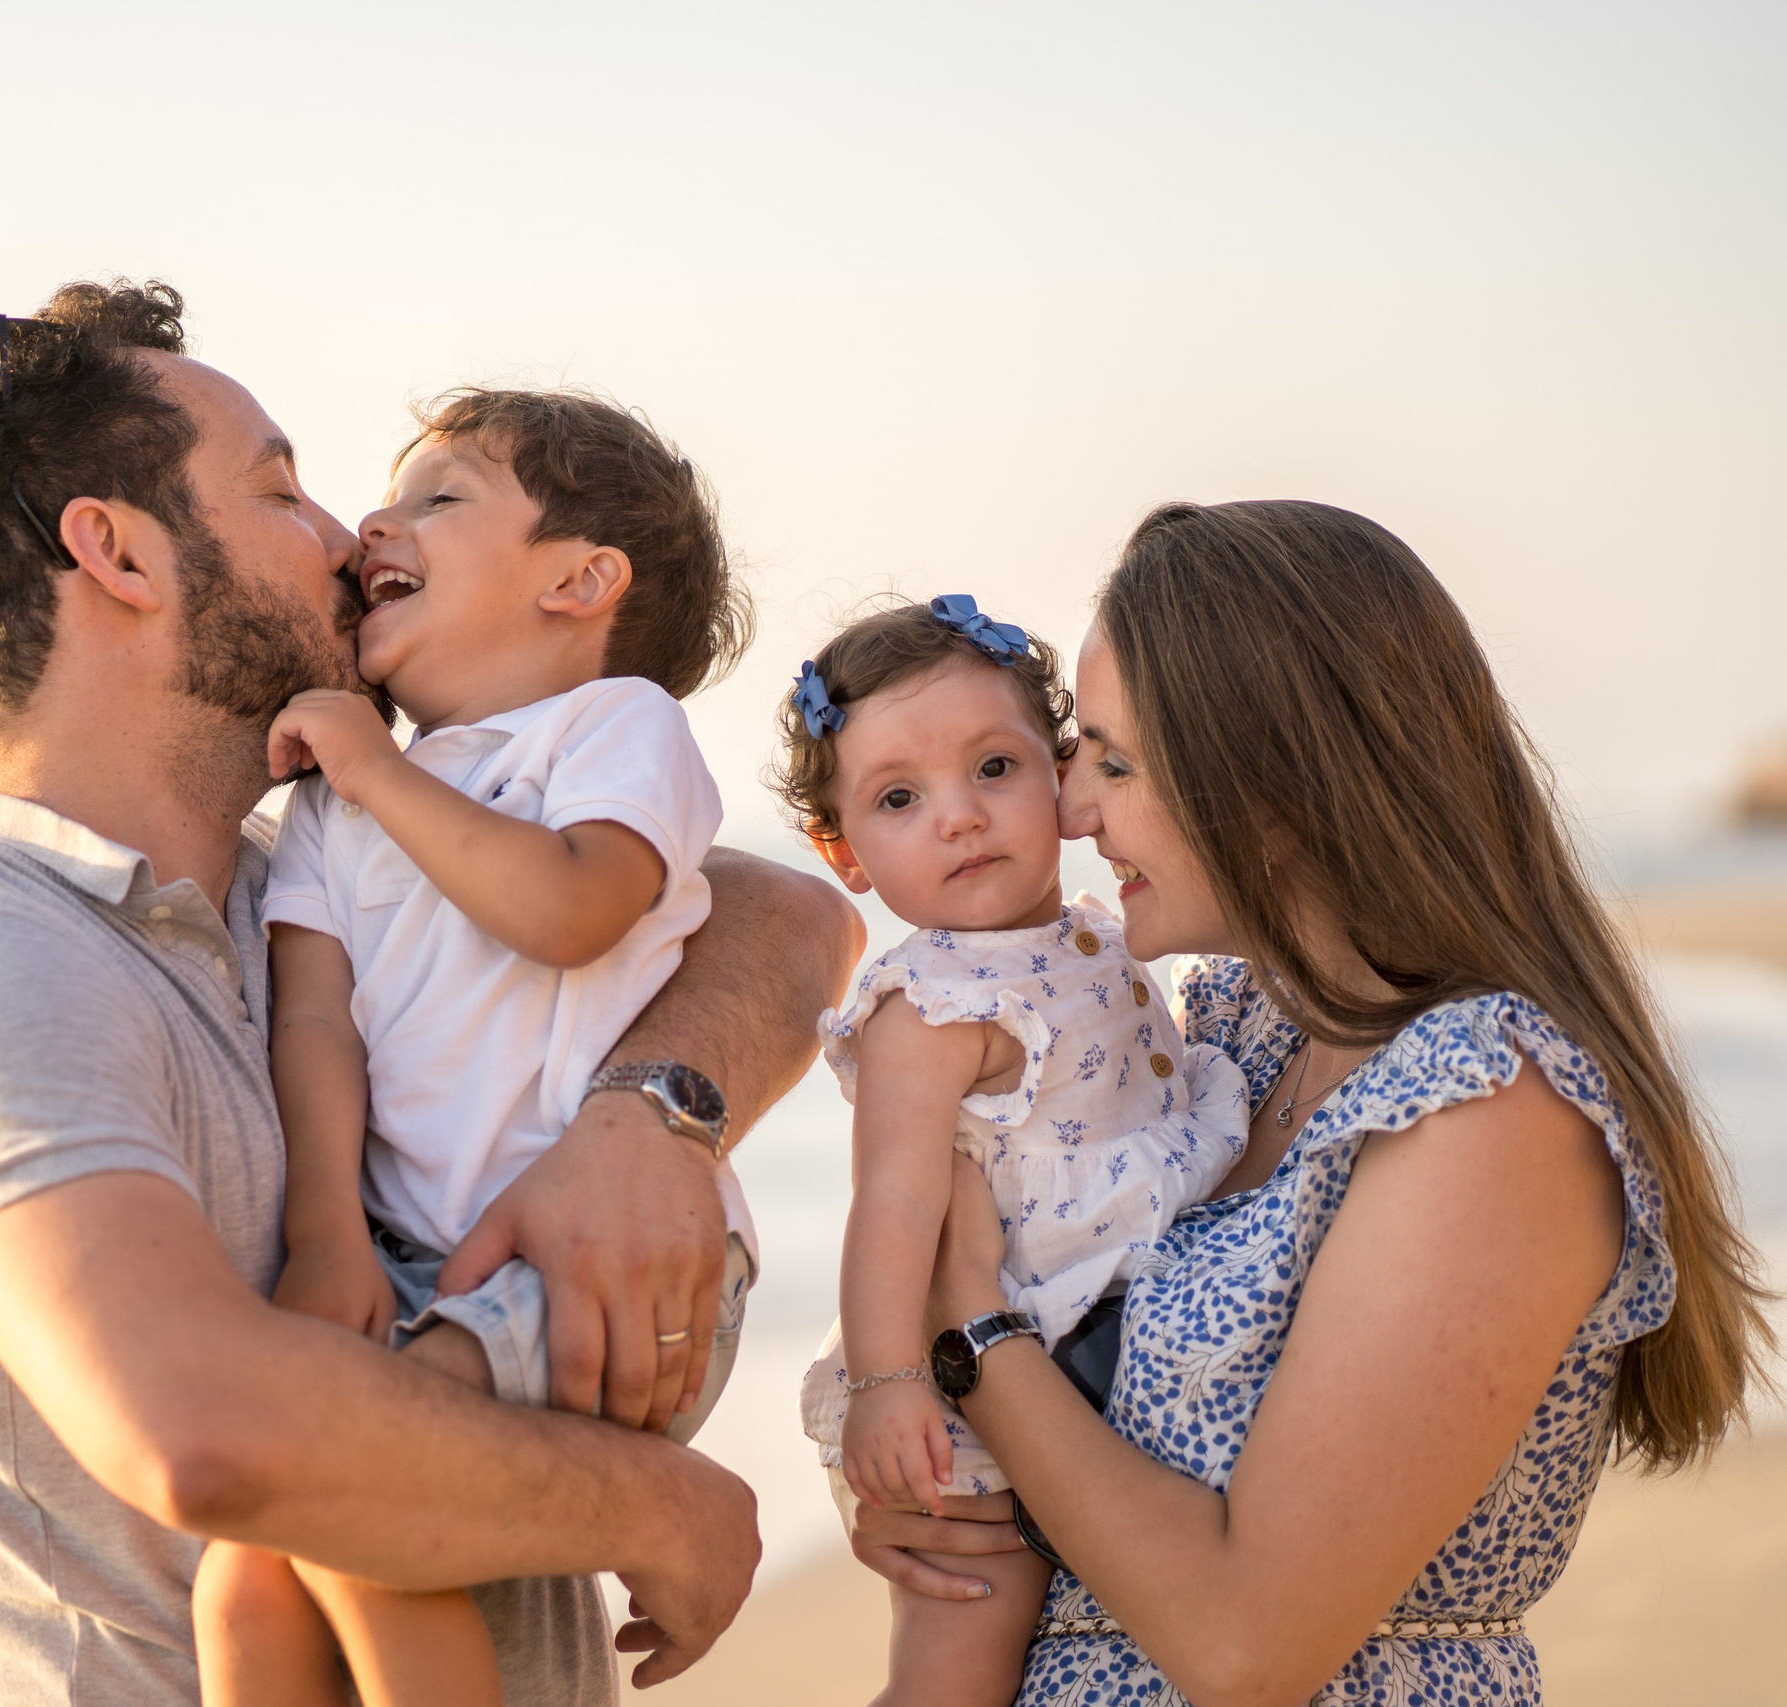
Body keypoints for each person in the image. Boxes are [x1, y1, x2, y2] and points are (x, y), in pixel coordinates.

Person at [0, 279, 864, 1705]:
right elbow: (201, 1435)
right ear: (118, 551)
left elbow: (790, 918)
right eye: (280, 490)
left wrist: (642, 1120)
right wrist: (659, 1507)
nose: (341, 536)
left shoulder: (314, 861)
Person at [866, 499, 1773, 1706]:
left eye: (1115, 765)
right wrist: (954, 1510)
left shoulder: (1488, 1106)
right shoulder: (1232, 1037)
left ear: (1277, 796)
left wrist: (969, 1332)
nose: (1073, 809)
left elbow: (1245, 1645)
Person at [191, 389, 760, 1707]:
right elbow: (314, 1022)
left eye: (440, 498)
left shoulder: (614, 727)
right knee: (246, 1574)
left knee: (361, 1503)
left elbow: (571, 908)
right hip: (407, 1258)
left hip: (604, 1269)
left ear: (579, 581)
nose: (373, 523)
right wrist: (326, 1234)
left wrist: (379, 773)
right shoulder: (331, 802)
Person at [768, 595, 1249, 1706]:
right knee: (965, 1656)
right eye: (899, 798)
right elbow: (892, 1206)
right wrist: (889, 1384)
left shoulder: (1098, 931)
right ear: (842, 851)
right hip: (970, 1392)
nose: (960, 818)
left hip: (1085, 1333)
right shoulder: (930, 1006)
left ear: (1062, 774)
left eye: (993, 768)